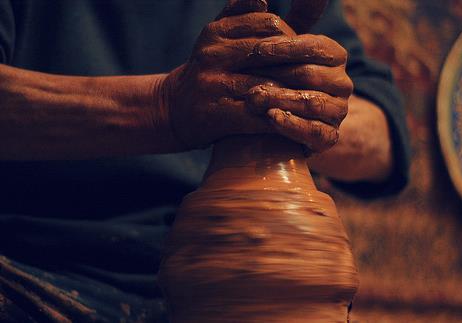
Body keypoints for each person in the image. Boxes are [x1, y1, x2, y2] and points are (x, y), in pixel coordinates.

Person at [0, 0, 410, 322]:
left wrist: (288, 101)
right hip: (30, 265)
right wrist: (164, 107)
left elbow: (384, 139)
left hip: (213, 273)